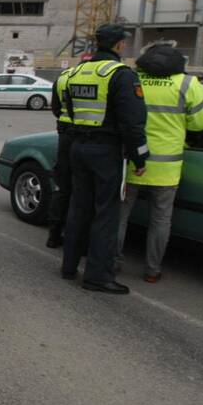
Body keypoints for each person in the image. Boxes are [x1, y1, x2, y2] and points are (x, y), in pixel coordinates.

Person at [61, 24, 149, 294]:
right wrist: (140, 158)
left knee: (78, 209)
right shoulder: (120, 75)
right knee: (106, 214)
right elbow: (133, 123)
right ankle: (98, 276)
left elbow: (67, 108)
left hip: (79, 147)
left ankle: (69, 266)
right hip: (106, 152)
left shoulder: (77, 71)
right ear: (119, 45)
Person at [117, 44, 203, 283]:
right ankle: (152, 271)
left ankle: (111, 262)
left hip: (131, 162)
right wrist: (180, 125)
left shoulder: (135, 79)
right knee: (160, 220)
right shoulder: (187, 84)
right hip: (167, 167)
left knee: (119, 215)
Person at [46, 61, 81, 248]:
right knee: (83, 191)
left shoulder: (64, 77)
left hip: (65, 135)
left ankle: (54, 234)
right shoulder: (102, 77)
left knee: (62, 188)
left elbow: (56, 109)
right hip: (89, 137)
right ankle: (77, 239)